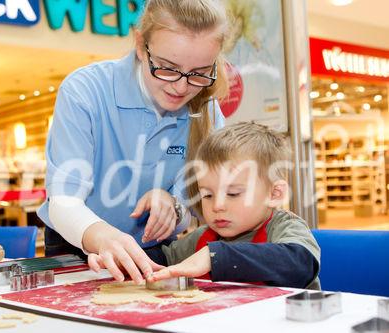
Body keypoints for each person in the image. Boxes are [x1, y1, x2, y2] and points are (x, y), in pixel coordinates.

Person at [37, 0, 229, 284]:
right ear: (141, 46)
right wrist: (101, 235)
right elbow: (63, 202)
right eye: (167, 67)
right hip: (76, 246)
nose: (181, 86)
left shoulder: (208, 112)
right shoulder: (85, 91)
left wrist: (175, 209)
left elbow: (199, 208)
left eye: (199, 73)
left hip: (156, 252)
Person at [147, 122, 321, 289]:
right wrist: (130, 259)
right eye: (207, 195)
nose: (217, 206)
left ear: (274, 194)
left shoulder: (285, 227)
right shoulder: (203, 237)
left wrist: (214, 256)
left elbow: (300, 263)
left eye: (233, 194)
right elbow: (164, 258)